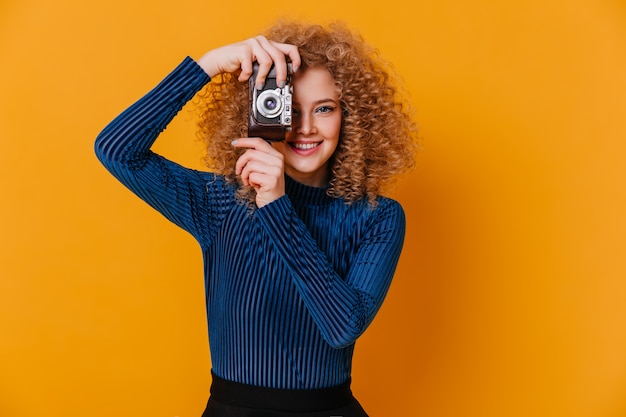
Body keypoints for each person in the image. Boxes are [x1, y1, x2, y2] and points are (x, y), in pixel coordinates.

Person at [95, 20, 418, 417]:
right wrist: (208, 65)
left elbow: (342, 327)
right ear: (259, 112)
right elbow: (115, 149)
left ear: (351, 117)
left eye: (324, 109)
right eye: (290, 110)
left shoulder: (377, 217)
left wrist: (276, 204)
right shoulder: (220, 201)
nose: (306, 128)